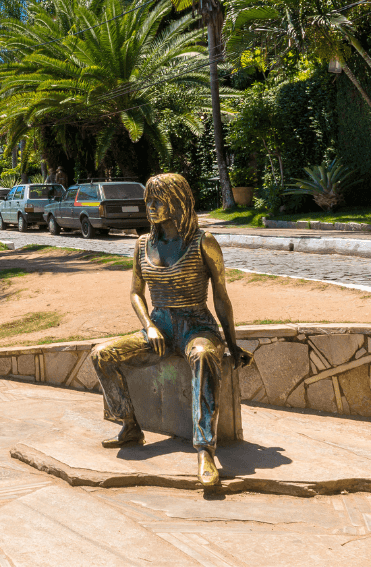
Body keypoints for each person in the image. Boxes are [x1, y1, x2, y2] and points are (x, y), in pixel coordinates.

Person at [90, 173, 251, 488]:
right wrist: (148, 325)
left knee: (204, 357)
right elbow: (136, 293)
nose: (150, 206)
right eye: (148, 200)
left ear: (178, 202)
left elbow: (221, 297)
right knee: (101, 355)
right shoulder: (142, 244)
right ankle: (128, 425)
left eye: (158, 200)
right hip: (160, 326)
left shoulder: (202, 242)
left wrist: (232, 344)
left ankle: (205, 449)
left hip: (197, 326)